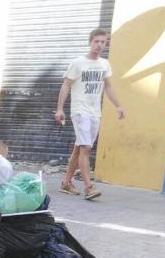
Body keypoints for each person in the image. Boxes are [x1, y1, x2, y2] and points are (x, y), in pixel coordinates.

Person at [54, 28, 126, 199]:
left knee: (80, 148)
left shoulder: (104, 64)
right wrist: (59, 108)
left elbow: (108, 86)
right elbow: (66, 85)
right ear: (90, 42)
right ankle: (89, 187)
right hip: (80, 110)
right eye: (96, 41)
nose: (99, 45)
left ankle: (66, 182)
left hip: (95, 112)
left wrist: (119, 105)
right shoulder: (78, 63)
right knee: (86, 147)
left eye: (103, 42)